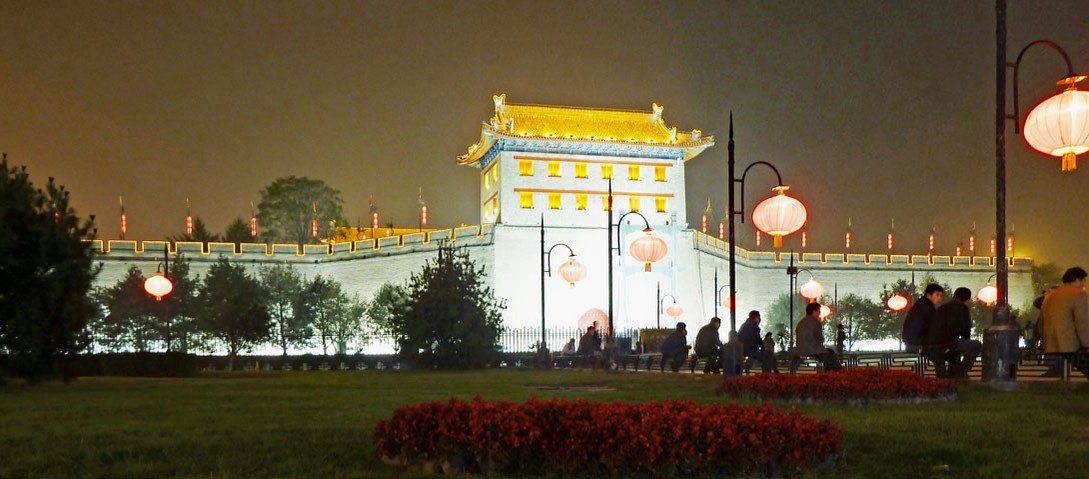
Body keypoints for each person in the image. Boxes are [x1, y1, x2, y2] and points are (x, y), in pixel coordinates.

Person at [1040, 267, 1089, 377]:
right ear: (1077, 280)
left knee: (1056, 376)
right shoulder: (1079, 294)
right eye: (1083, 280)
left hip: (1051, 343)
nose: (1084, 284)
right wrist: (1086, 344)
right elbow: (1082, 323)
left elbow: (1041, 321)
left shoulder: (1050, 295)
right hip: (1069, 343)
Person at [929, 287, 982, 379]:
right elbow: (966, 330)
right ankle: (962, 370)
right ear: (966, 298)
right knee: (976, 345)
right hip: (950, 343)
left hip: (933, 344)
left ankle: (955, 371)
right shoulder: (962, 308)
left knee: (956, 350)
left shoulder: (942, 308)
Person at [794, 302, 839, 371]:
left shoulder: (801, 322)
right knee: (832, 356)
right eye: (819, 310)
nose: (820, 313)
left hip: (800, 350)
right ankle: (832, 375)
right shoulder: (815, 322)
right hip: (813, 351)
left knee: (828, 354)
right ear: (814, 311)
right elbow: (820, 339)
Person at [902, 284, 945, 352]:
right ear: (929, 295)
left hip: (911, 343)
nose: (939, 298)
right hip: (919, 344)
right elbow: (933, 328)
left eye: (941, 296)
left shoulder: (920, 305)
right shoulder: (927, 308)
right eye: (937, 295)